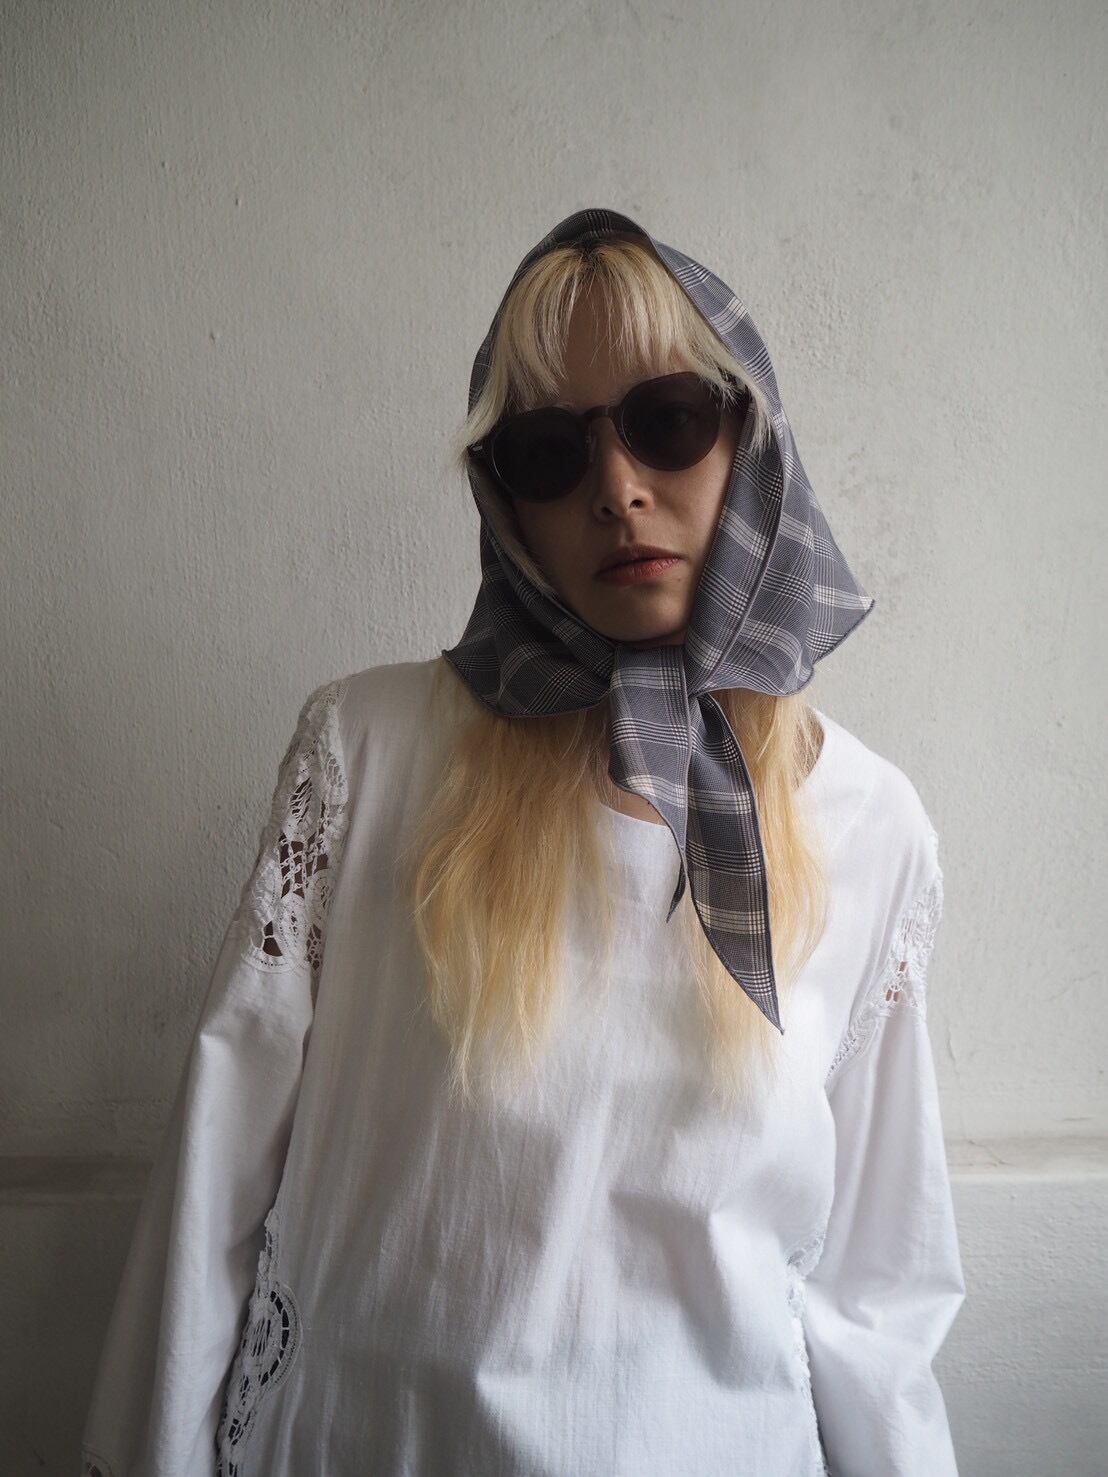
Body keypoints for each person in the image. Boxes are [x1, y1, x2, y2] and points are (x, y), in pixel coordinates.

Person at [80, 207, 965, 1476]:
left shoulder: (868, 824)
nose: (617, 488)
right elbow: (216, 1176)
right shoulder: (368, 755)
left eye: (669, 420)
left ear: (751, 440)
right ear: (504, 497)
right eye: (549, 451)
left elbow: (877, 1295)